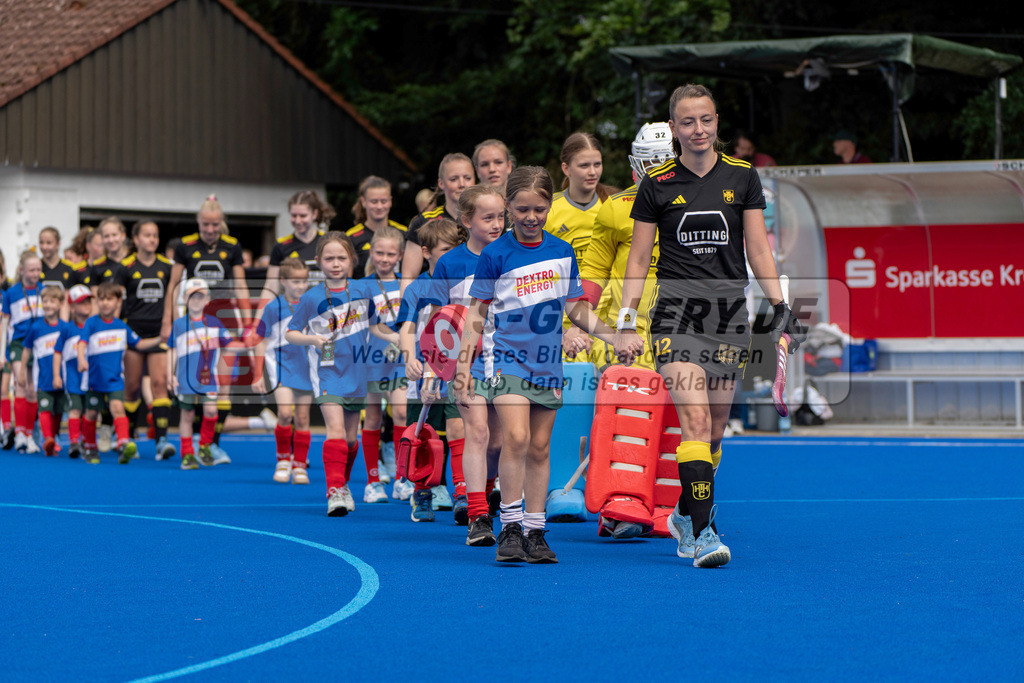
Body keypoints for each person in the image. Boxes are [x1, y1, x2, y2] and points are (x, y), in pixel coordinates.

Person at [614, 83, 804, 568]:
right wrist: (627, 320)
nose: (698, 129)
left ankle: (684, 512)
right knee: (695, 422)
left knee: (715, 432)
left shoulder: (743, 176)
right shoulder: (655, 183)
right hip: (676, 315)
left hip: (729, 316)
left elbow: (757, 248)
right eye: (687, 122)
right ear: (674, 128)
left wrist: (779, 305)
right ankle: (702, 534)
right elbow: (638, 258)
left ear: (716, 121)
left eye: (705, 120)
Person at [453, 166, 619, 564]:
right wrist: (462, 366)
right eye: (522, 209)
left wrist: (614, 336)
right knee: (516, 437)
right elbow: (476, 314)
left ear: (549, 206)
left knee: (541, 447)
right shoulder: (495, 254)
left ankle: (534, 530)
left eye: (539, 209)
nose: (531, 217)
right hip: (505, 360)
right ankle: (510, 526)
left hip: (546, 364)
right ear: (508, 206)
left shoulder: (562, 251)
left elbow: (575, 308)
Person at [427, 184, 506, 531]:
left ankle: (484, 495)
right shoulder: (450, 262)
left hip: (504, 361)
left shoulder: (512, 255)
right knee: (477, 433)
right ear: (466, 220)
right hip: (466, 362)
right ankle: (477, 514)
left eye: (501, 216)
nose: (497, 224)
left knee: (498, 443)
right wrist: (434, 369)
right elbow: (436, 320)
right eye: (488, 218)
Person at [285, 232, 374, 517]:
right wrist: (312, 339)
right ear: (318, 261)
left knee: (350, 440)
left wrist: (395, 340)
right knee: (334, 431)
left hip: (357, 373)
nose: (336, 264)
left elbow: (377, 326)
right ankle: (334, 491)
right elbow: (291, 332)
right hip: (327, 373)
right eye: (329, 258)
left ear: (352, 260)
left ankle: (343, 484)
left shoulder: (363, 290)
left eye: (341, 258)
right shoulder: (311, 297)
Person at [579, 121, 675, 375]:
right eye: (651, 163)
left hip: (684, 329)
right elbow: (594, 269)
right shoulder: (617, 207)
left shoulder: (702, 203)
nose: (658, 172)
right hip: (630, 334)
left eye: (666, 163)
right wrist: (580, 319)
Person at [162, 196, 249, 463]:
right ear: (198, 222)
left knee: (221, 385)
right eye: (205, 225)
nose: (210, 230)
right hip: (194, 320)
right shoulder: (185, 246)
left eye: (215, 225)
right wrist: (168, 319)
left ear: (221, 223)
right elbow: (174, 285)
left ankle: (211, 445)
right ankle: (193, 443)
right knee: (193, 380)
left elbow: (241, 285)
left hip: (224, 319)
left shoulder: (232, 246)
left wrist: (247, 322)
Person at [390, 218, 459, 505]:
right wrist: (409, 358)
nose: (452, 255)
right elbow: (406, 328)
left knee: (456, 427)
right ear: (426, 252)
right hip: (423, 369)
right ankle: (423, 488)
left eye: (457, 248)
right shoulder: (416, 288)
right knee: (423, 430)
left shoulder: (464, 283)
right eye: (445, 250)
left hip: (458, 368)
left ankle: (457, 488)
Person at [545, 132, 614, 362]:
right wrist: (565, 330)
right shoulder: (549, 210)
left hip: (607, 318)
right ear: (566, 168)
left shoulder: (613, 206)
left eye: (597, 164)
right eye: (584, 165)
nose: (592, 172)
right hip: (563, 322)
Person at [78, 282, 162, 464]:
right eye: (101, 299)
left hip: (115, 379)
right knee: (91, 413)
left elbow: (139, 344)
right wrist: (81, 360)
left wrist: (159, 340)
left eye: (109, 299)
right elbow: (82, 343)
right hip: (94, 378)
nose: (105, 303)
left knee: (118, 408)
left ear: (118, 302)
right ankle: (90, 446)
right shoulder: (92, 323)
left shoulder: (122, 326)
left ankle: (123, 444)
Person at [115, 219, 175, 460]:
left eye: (155, 235)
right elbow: (116, 302)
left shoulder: (167, 266)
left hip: (159, 333)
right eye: (147, 235)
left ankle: (162, 441)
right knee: (131, 387)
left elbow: (172, 297)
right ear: (136, 239)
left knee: (159, 383)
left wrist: (171, 324)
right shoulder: (125, 266)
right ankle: (128, 439)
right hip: (133, 334)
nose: (152, 240)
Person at [169, 278, 244, 469]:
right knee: (187, 415)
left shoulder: (214, 323)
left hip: (208, 378)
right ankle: (187, 454)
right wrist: (170, 374)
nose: (196, 300)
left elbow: (230, 344)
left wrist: (248, 343)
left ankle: (204, 446)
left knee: (211, 411)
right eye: (192, 296)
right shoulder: (178, 325)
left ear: (207, 299)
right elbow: (172, 351)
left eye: (200, 296)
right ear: (184, 299)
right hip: (185, 378)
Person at [357, 225, 407, 504]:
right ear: (372, 252)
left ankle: (401, 478)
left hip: (402, 358)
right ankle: (372, 481)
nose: (385, 259)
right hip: (372, 358)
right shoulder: (362, 286)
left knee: (401, 412)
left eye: (390, 254)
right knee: (373, 416)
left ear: (400, 255)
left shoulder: (406, 283)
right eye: (380, 253)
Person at [253, 258, 313, 484]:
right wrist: (258, 374)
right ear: (283, 281)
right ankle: (283, 460)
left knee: (303, 418)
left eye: (304, 281)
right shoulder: (272, 307)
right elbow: (260, 341)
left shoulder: (313, 305)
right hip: (281, 367)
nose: (301, 286)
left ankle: (300, 465)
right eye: (295, 281)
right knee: (285, 413)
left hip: (307, 369)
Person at [399, 153, 475, 293]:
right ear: (441, 183)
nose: (462, 184)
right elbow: (409, 277)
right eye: (454, 179)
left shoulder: (485, 218)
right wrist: (406, 306)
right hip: (435, 298)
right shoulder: (423, 221)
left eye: (467, 178)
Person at [259, 190, 336, 306]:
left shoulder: (329, 242)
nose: (298, 221)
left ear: (314, 214)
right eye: (294, 216)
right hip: (293, 310)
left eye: (303, 216)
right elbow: (271, 287)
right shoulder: (281, 246)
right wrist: (261, 315)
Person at [2, 250, 44, 453]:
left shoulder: (44, 290)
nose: (35, 274)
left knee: (32, 390)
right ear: (22, 270)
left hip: (38, 344)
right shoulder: (11, 293)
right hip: (18, 343)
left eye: (38, 270)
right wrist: (2, 351)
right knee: (20, 383)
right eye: (31, 270)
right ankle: (19, 432)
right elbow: (4, 323)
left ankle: (29, 434)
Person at [23, 286, 68, 456]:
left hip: (62, 379)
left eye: (52, 301)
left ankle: (53, 439)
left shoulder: (65, 327)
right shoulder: (36, 327)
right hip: (43, 378)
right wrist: (22, 371)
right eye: (45, 301)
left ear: (60, 304)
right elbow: (26, 349)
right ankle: (47, 438)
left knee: (58, 410)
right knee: (44, 409)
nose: (48, 305)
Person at [52, 285, 93, 459]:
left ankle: (86, 440)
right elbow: (57, 352)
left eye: (88, 301)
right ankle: (74, 442)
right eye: (81, 302)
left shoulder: (95, 325)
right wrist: (56, 375)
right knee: (75, 409)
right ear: (72, 307)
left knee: (89, 411)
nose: (86, 305)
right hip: (73, 377)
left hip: (91, 378)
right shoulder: (67, 329)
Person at [346, 176, 408, 277]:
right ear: (363, 201)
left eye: (384, 201)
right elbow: (347, 279)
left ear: (390, 201)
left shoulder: (404, 233)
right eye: (374, 201)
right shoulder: (351, 237)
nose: (379, 206)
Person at [38, 226, 86, 318]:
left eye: (49, 243)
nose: (44, 247)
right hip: (40, 320)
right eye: (41, 242)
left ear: (58, 244)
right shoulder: (36, 268)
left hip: (64, 319)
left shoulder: (70, 268)